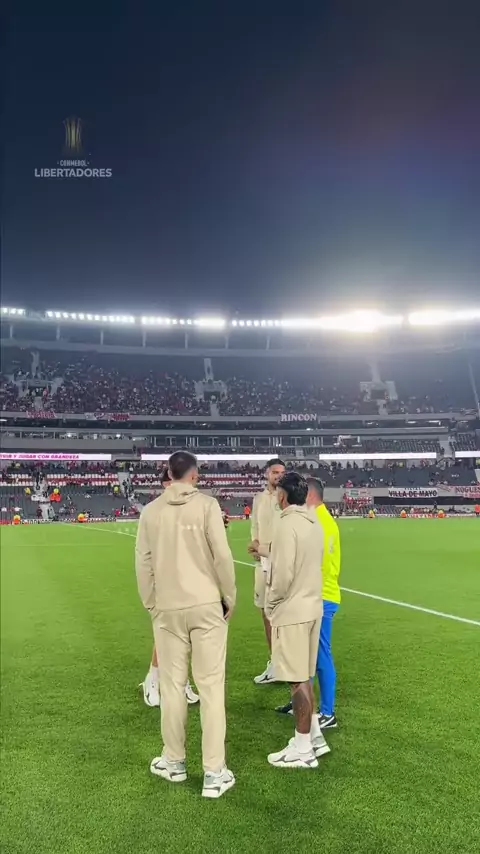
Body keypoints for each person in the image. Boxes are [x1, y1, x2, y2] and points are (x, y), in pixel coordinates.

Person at [135, 451, 237, 799]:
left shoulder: (150, 512)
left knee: (172, 686)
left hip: (167, 608)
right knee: (211, 688)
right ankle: (214, 772)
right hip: (206, 604)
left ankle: (174, 762)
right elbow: (222, 556)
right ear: (194, 475)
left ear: (169, 473)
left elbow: (143, 563)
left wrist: (152, 603)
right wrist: (229, 596)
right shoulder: (207, 506)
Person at [251, 472, 329, 768]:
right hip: (313, 607)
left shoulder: (285, 524)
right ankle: (314, 737)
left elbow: (281, 575)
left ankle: (302, 748)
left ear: (282, 496)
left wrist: (271, 605)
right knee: (304, 675)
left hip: (293, 611)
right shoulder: (314, 522)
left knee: (296, 681)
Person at [276, 478, 341, 729]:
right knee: (306, 656)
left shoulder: (317, 522)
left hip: (320, 595)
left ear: (310, 496)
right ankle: (302, 703)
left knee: (320, 655)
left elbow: (308, 561)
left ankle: (327, 712)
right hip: (319, 594)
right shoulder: (323, 520)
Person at [139, 467, 199, 707]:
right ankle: (153, 679)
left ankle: (180, 681)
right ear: (167, 484)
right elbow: (145, 554)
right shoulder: (154, 512)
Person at [248, 458, 285, 684]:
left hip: (282, 563)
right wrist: (254, 543)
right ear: (267, 474)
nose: (278, 476)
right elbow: (255, 526)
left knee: (283, 613)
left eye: (282, 472)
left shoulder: (288, 498)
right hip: (261, 564)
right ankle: (275, 663)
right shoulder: (259, 499)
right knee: (265, 613)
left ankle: (289, 663)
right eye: (275, 472)